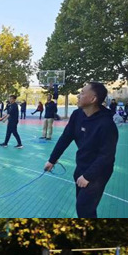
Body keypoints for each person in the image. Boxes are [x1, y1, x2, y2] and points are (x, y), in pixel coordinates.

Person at [45, 82, 118, 219]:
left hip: (98, 172)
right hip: (81, 166)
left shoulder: (106, 125)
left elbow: (106, 156)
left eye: (82, 93)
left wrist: (88, 176)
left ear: (93, 99)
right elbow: (65, 138)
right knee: (82, 206)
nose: (78, 96)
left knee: (84, 208)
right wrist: (52, 160)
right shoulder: (77, 115)